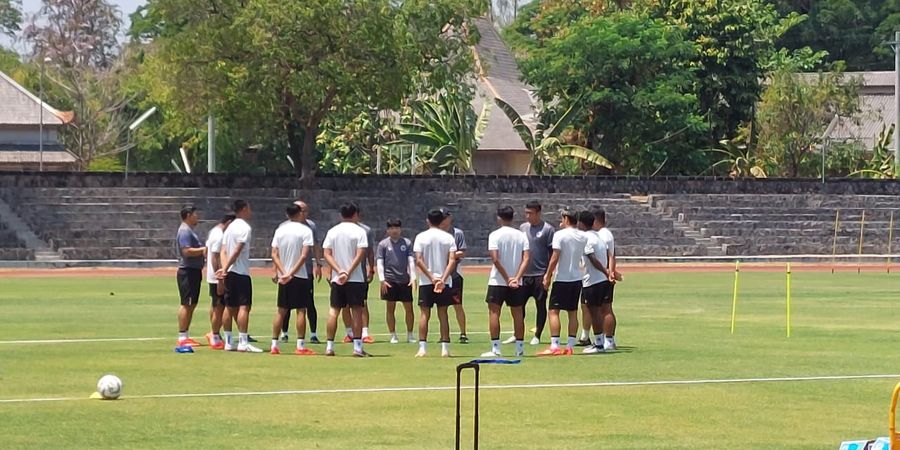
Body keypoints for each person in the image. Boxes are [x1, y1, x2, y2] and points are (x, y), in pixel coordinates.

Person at [481, 206, 530, 358]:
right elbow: (526, 258)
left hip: (498, 280)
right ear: (513, 217)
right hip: (516, 281)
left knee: (494, 312)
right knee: (518, 314)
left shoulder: (495, 235)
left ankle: (496, 348)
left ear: (499, 218)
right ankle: (519, 348)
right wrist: (516, 277)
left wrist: (507, 277)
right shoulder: (521, 235)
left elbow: (495, 258)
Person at [323, 202, 370, 357]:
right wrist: (349, 271)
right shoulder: (360, 231)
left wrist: (339, 270)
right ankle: (357, 348)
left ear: (341, 215)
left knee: (334, 311)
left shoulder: (332, 231)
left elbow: (327, 254)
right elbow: (360, 253)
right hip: (355, 278)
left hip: (338, 278)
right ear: (355, 214)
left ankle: (329, 346)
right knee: (356, 311)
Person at [537, 209, 587, 357]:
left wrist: (547, 274)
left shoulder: (559, 235)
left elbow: (555, 256)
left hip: (562, 278)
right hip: (577, 277)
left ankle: (555, 345)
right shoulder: (583, 236)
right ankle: (570, 346)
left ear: (566, 219)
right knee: (572, 312)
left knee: (553, 311)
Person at [505, 201, 554, 346]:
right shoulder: (523, 228)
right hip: (524, 274)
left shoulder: (548, 229)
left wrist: (548, 274)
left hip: (540, 274)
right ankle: (517, 333)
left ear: (538, 213)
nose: (527, 216)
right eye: (526, 213)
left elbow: (552, 253)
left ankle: (537, 335)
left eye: (530, 213)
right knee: (518, 305)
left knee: (540, 305)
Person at [269, 204, 316, 355]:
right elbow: (304, 255)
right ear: (299, 214)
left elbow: (274, 254)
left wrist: (284, 272)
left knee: (281, 311)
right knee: (301, 310)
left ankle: (274, 345)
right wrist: (292, 272)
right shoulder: (305, 230)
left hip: (284, 276)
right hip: (299, 275)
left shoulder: (280, 230)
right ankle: (300, 346)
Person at [217, 199, 262, 353]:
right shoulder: (244, 228)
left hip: (229, 273)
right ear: (243, 209)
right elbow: (236, 251)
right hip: (240, 272)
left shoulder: (229, 228)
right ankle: (243, 341)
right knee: (244, 307)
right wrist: (227, 267)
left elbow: (223, 250)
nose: (250, 211)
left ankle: (229, 342)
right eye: (248, 208)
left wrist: (224, 269)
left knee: (229, 307)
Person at [413, 208, 458, 357]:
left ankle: (422, 348)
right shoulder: (448, 238)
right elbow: (452, 260)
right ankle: (445, 348)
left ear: (428, 220)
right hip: (444, 281)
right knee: (443, 314)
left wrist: (432, 278)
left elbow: (418, 260)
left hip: (427, 281)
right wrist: (442, 279)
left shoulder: (421, 237)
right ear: (442, 221)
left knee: (424, 314)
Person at [278, 200, 323, 344]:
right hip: (286, 271)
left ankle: (313, 333)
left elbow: (315, 246)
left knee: (308, 303)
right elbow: (276, 251)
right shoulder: (283, 227)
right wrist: (277, 270)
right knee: (285, 306)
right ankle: (284, 333)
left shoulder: (310, 226)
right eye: (302, 211)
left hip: (305, 270)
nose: (305, 214)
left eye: (306, 211)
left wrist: (318, 263)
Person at [376, 219, 416, 344]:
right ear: (388, 230)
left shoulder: (407, 243)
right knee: (390, 308)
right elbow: (380, 262)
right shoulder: (383, 244)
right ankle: (393, 335)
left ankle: (410, 334)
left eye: (397, 228)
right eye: (392, 228)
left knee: (409, 308)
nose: (394, 231)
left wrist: (413, 277)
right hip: (390, 280)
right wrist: (382, 279)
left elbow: (411, 261)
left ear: (400, 229)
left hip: (404, 280)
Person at [577, 211, 612, 354]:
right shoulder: (598, 237)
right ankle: (600, 342)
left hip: (593, 281)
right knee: (597, 311)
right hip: (600, 280)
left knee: (595, 312)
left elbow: (592, 258)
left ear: (581, 223)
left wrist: (605, 271)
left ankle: (598, 344)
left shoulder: (586, 238)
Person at [175, 205, 206, 347]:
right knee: (186, 303)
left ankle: (186, 335)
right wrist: (204, 250)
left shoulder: (189, 231)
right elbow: (186, 251)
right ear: (188, 215)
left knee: (192, 303)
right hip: (187, 271)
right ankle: (182, 337)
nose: (197, 217)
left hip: (193, 270)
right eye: (195, 214)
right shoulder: (184, 231)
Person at [341, 219, 376, 344]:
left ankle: (365, 332)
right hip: (341, 273)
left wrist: (371, 269)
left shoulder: (365, 230)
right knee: (344, 305)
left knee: (362, 304)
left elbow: (370, 252)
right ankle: (349, 333)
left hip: (358, 274)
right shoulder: (338, 230)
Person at [204, 212, 235, 350]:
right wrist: (220, 278)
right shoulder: (219, 235)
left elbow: (206, 251)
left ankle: (214, 333)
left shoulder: (213, 232)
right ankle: (215, 335)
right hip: (217, 277)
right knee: (219, 307)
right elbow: (214, 256)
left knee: (216, 305)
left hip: (213, 275)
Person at [439, 208, 468, 344]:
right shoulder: (436, 234)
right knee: (441, 307)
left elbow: (462, 252)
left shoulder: (457, 233)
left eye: (445, 217)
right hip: (440, 274)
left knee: (457, 305)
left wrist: (449, 254)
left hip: (455, 274)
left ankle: (463, 333)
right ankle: (444, 335)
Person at [595, 208, 621, 350]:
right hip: (604, 275)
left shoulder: (603, 235)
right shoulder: (606, 234)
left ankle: (608, 339)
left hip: (602, 276)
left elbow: (609, 255)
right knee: (603, 309)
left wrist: (609, 272)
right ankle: (607, 339)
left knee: (605, 309)